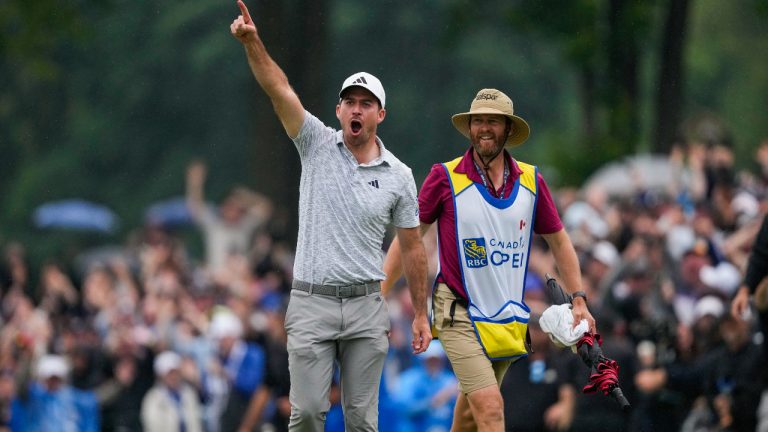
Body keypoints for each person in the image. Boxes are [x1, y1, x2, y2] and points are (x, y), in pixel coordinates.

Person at [230, 2, 432, 430]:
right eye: (349, 102)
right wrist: (253, 43)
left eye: (366, 103)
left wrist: (419, 312)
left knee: (361, 419)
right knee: (305, 413)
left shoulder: (399, 176)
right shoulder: (315, 143)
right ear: (338, 111)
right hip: (311, 301)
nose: (356, 110)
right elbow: (279, 88)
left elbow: (412, 248)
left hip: (365, 306)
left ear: (381, 114)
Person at [384, 88, 596, 431]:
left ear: (508, 130)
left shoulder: (531, 180)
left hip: (506, 318)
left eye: (493, 121)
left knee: (469, 416)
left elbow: (559, 241)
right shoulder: (444, 176)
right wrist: (381, 292)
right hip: (457, 310)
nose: (484, 128)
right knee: (491, 407)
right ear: (469, 128)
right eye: (478, 121)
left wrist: (579, 299)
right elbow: (409, 239)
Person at [141, 351, 204, 432]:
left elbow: (196, 423)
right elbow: (152, 426)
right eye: (169, 373)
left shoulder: (188, 393)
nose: (173, 377)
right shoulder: (153, 398)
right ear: (161, 375)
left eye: (176, 372)